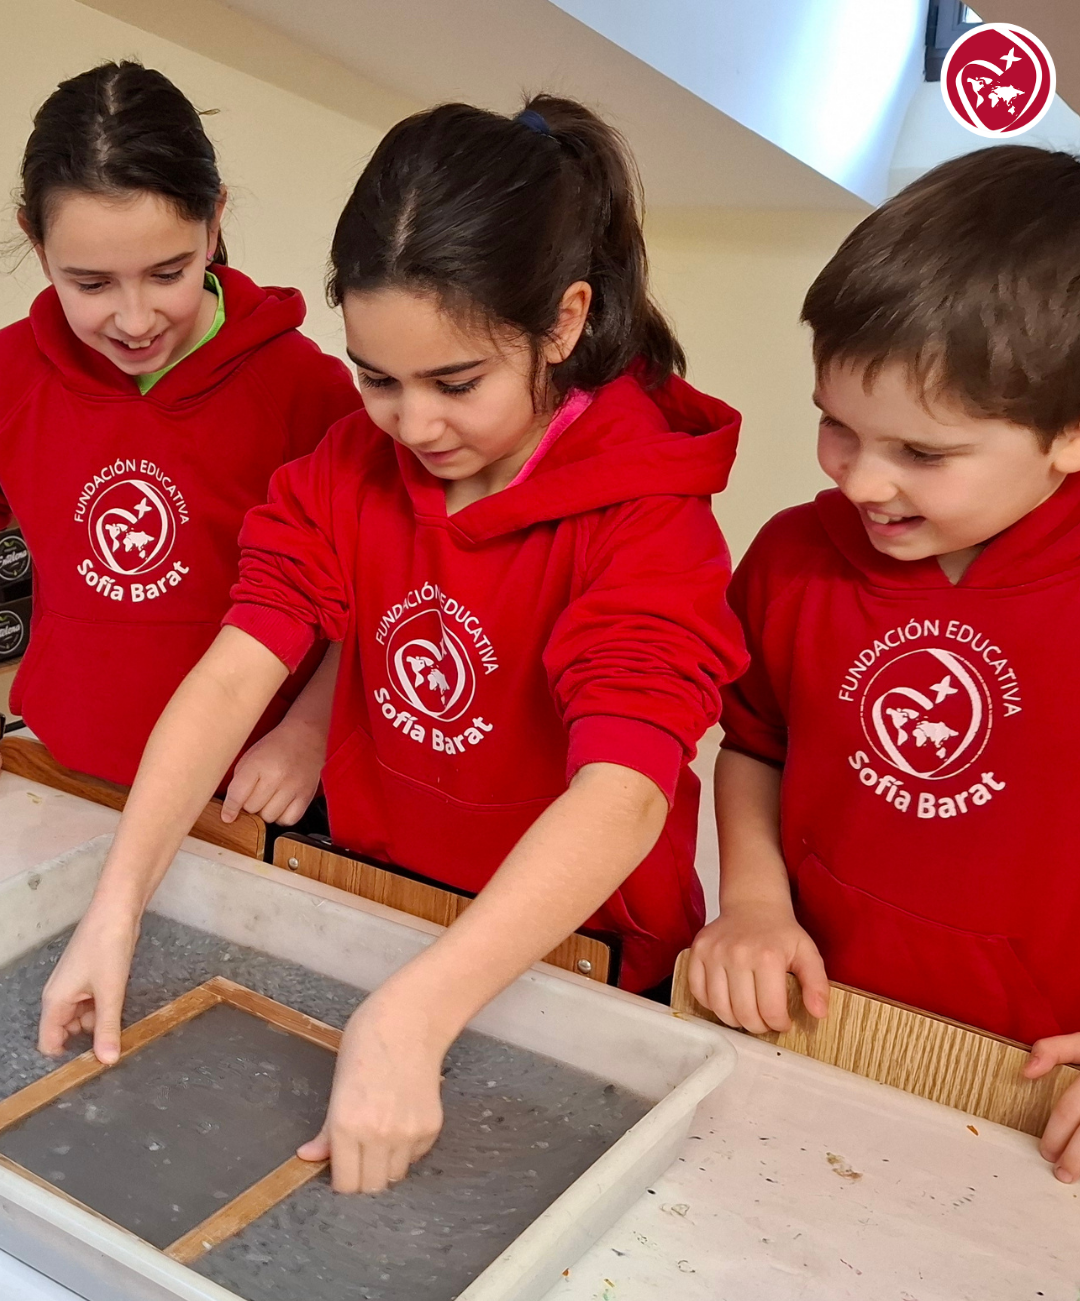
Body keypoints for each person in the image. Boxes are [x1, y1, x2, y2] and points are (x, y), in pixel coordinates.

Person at [38, 95, 747, 1192]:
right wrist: (117, 903)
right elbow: (234, 672)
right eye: (377, 379)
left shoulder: (645, 518)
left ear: (563, 322)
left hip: (574, 956)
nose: (414, 427)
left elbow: (624, 793)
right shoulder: (347, 469)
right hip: (376, 901)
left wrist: (418, 1012)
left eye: (455, 384)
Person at [687, 145, 1080, 1183]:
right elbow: (754, 746)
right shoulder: (792, 556)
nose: (861, 481)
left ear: (1069, 434)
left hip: (1037, 1097)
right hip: (819, 1032)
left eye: (922, 453)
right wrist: (754, 905)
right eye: (836, 426)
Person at [0, 60, 360, 819]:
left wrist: (308, 732)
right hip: (63, 768)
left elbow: (371, 597)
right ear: (35, 239)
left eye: (168, 273)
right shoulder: (11, 374)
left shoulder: (307, 390)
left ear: (214, 220)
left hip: (246, 796)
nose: (135, 321)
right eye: (91, 284)